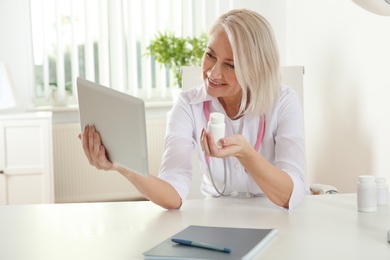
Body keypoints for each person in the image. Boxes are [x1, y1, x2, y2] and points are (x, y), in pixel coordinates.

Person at [79, 8, 307, 210]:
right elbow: (173, 193)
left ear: (255, 69)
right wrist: (122, 166)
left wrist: (245, 153)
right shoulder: (188, 105)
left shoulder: (284, 101)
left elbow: (291, 194)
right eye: (210, 55)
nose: (213, 72)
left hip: (275, 215)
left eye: (230, 65)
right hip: (217, 217)